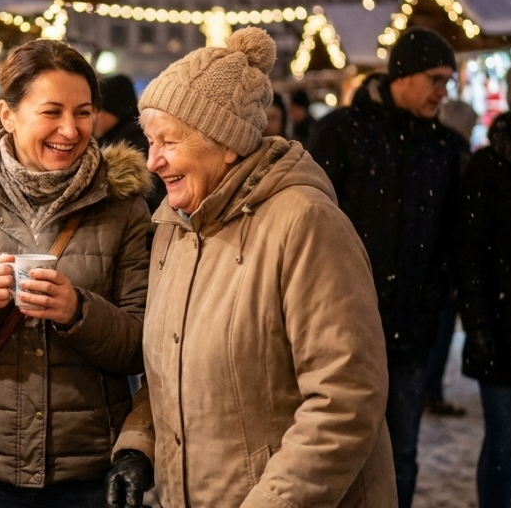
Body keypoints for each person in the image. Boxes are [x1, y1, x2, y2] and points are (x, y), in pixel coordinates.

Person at [105, 27, 396, 507]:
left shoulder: (305, 223)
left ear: (227, 143)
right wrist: (140, 444)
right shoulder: (174, 228)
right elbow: (171, 369)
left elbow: (345, 399)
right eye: (149, 140)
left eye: (169, 142)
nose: (152, 160)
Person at [0, 39, 153, 507]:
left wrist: (79, 312)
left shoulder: (124, 207)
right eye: (51, 111)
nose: (70, 129)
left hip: (88, 473)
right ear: (8, 114)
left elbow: (141, 345)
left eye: (83, 112)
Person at [307, 26, 467, 508]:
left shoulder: (444, 146)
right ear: (402, 75)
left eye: (448, 81)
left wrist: (436, 292)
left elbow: (450, 232)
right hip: (342, 325)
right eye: (435, 79)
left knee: (402, 453)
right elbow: (309, 217)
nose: (443, 91)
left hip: (412, 327)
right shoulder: (344, 131)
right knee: (337, 450)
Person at [458, 59, 511, 508]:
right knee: (504, 445)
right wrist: (479, 324)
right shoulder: (489, 166)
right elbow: (471, 251)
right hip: (505, 329)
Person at [423, 99, 477, 418]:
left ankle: (430, 391)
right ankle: (431, 391)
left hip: (435, 262)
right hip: (444, 264)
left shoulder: (435, 152)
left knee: (437, 333)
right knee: (439, 333)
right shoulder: (454, 155)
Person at [97, 74, 166, 215]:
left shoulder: (139, 146)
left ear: (114, 109)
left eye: (98, 110)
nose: (92, 117)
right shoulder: (101, 141)